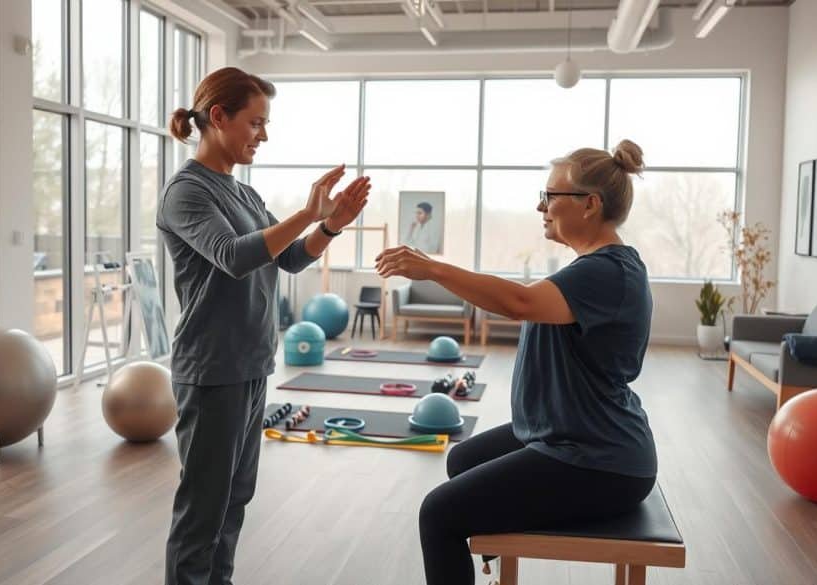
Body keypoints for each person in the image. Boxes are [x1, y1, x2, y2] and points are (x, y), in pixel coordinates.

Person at [375, 140, 656, 585]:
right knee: (462, 461)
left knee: (438, 512)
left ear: (589, 204)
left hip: (600, 458)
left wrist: (433, 269)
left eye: (550, 196)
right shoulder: (593, 268)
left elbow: (518, 301)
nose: (540, 206)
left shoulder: (607, 271)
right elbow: (522, 300)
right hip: (569, 431)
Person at [157, 67, 370, 585]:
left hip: (251, 363)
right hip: (211, 370)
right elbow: (233, 256)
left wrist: (330, 224)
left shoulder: (244, 195)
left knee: (234, 501)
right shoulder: (186, 193)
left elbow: (290, 258)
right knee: (203, 509)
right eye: (256, 123)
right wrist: (304, 211)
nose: (264, 136)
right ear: (218, 117)